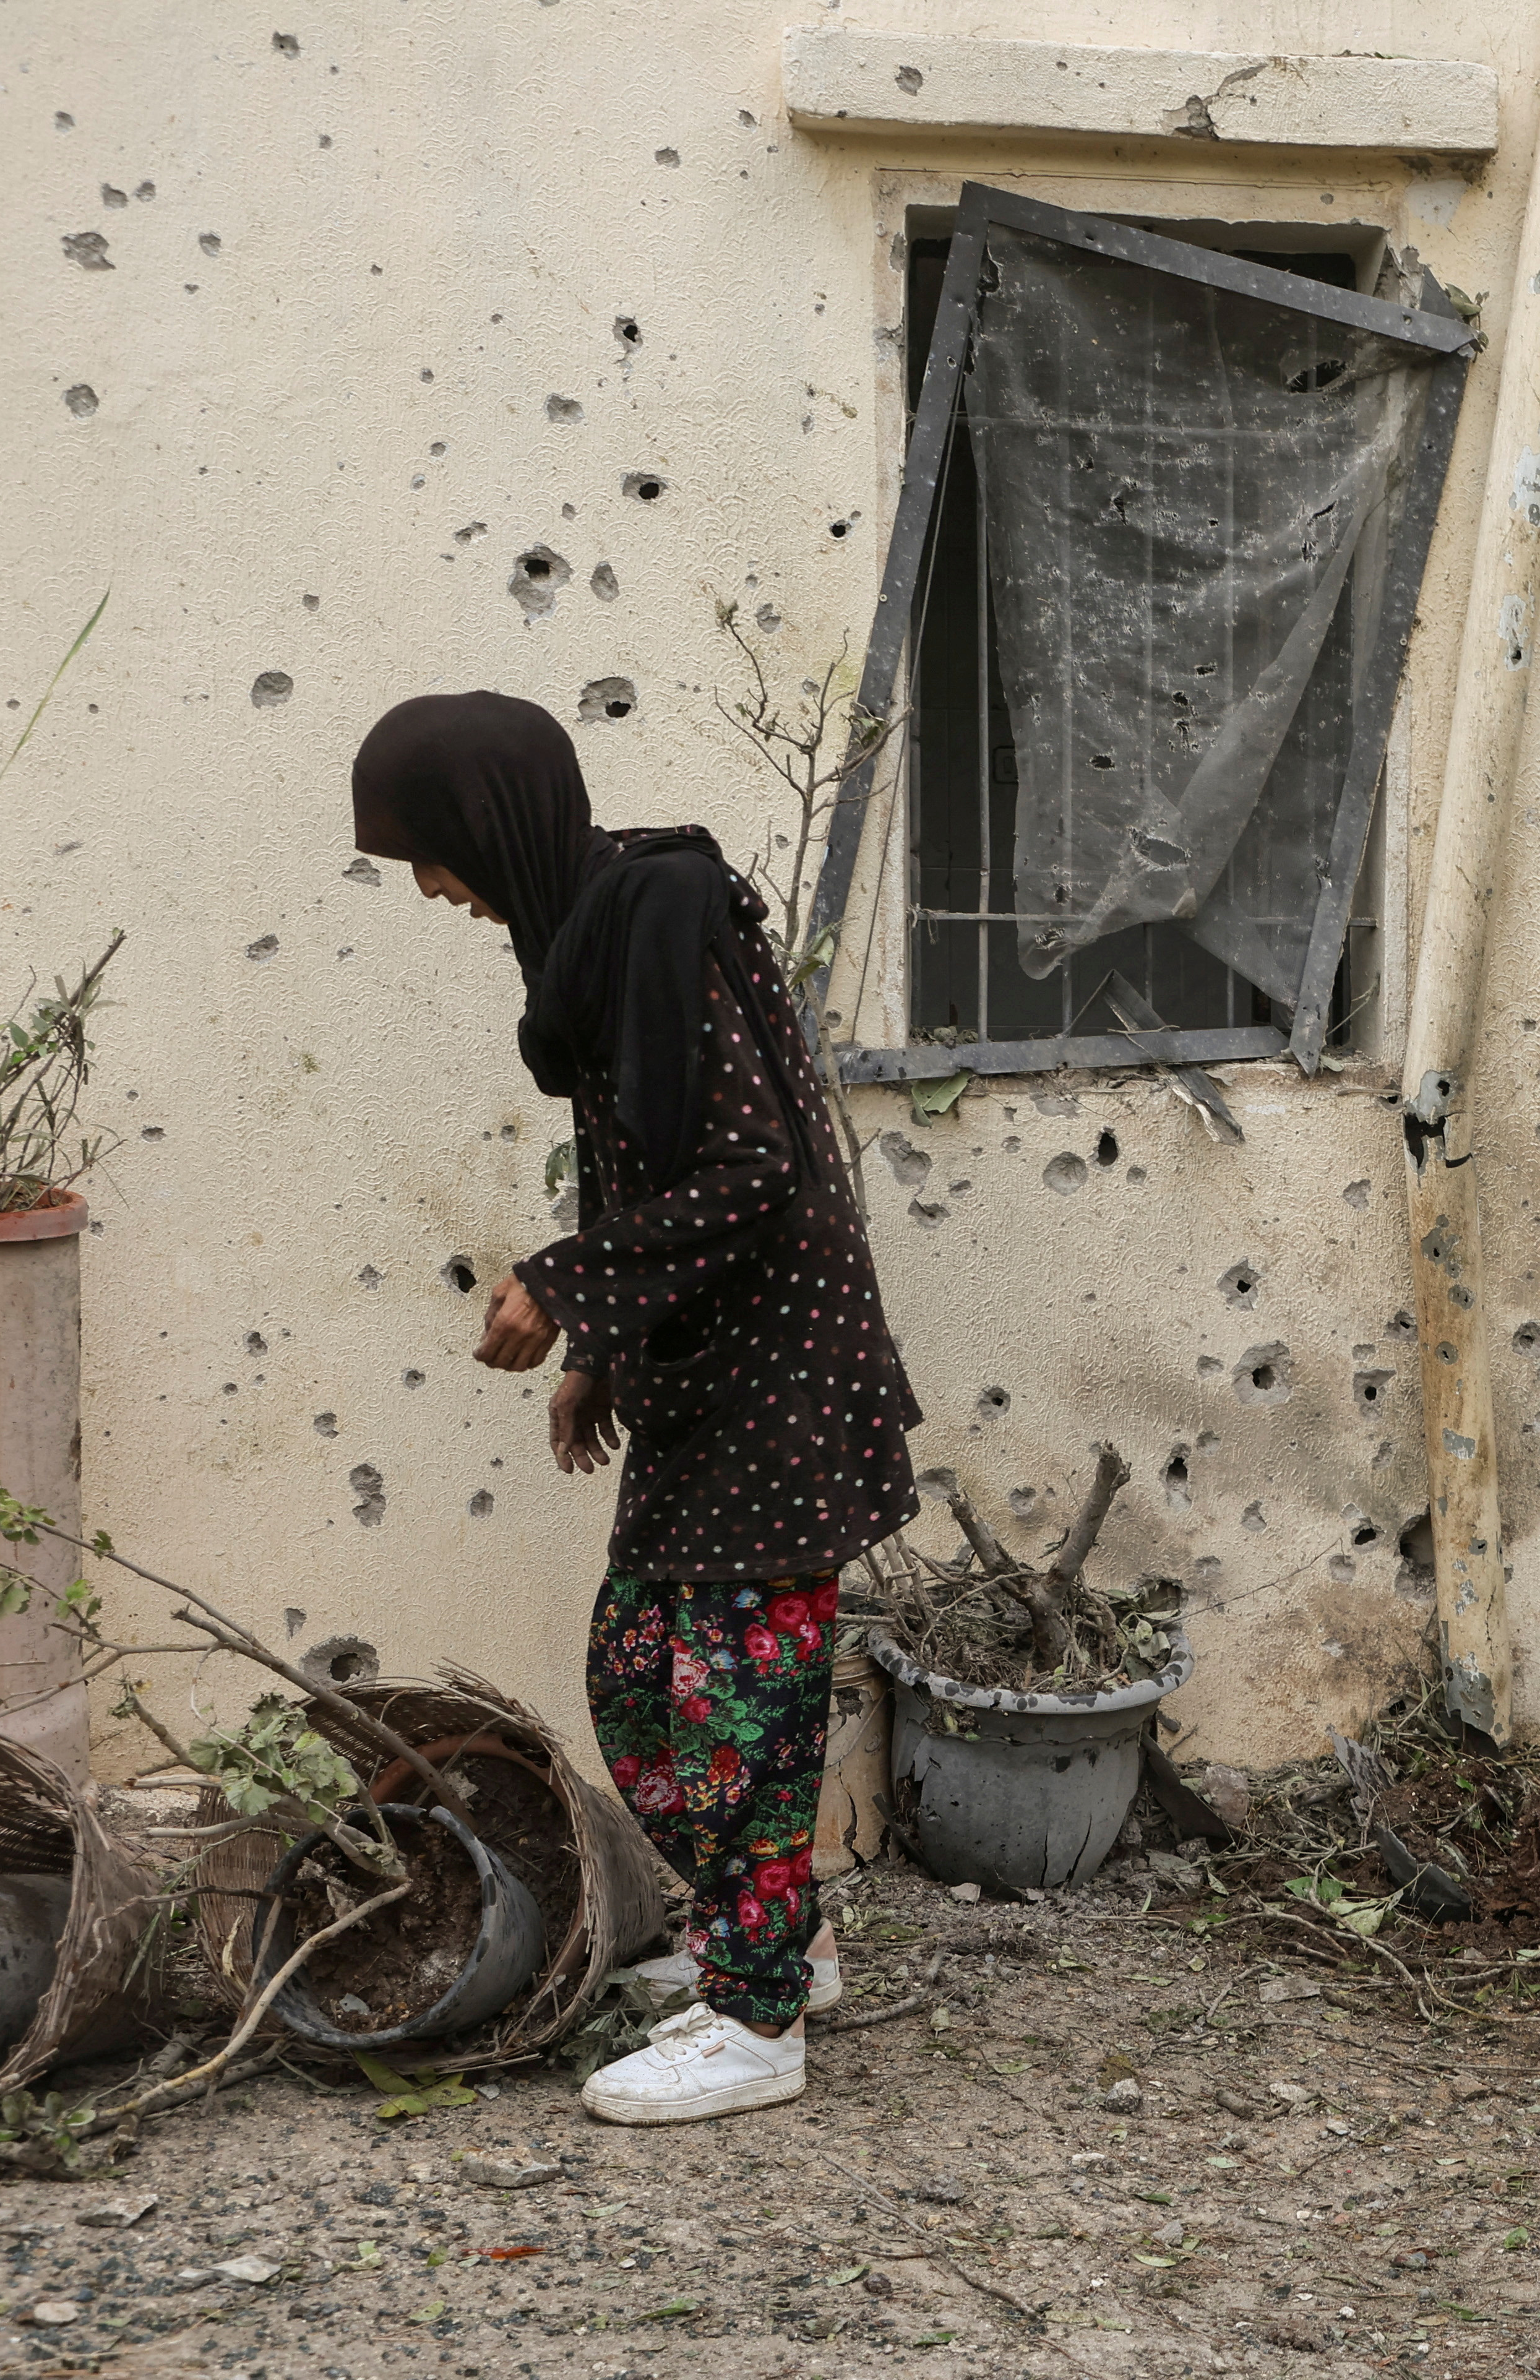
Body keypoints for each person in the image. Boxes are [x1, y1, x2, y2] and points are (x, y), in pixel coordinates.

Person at [349, 691, 922, 2125]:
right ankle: (780, 1943)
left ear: (489, 822)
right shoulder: (593, 937)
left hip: (778, 1378)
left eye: (428, 853)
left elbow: (749, 1171)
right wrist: (602, 1343)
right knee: (638, 1677)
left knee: (731, 1701)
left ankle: (755, 2023)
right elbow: (643, 1157)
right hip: (702, 1375)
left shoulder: (667, 915)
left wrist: (567, 1281)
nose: (430, 890)